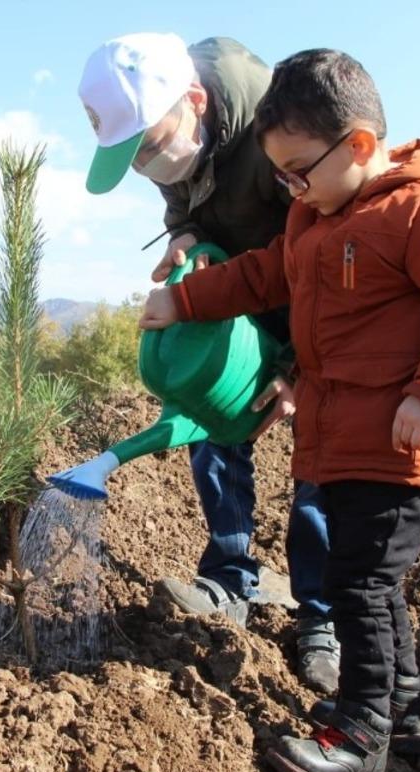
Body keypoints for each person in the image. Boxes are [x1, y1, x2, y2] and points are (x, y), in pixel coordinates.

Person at [138, 48, 420, 772]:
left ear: (361, 146)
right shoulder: (316, 219)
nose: (290, 189)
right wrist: (184, 300)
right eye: (279, 175)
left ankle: (360, 741)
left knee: (358, 589)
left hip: (400, 446)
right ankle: (397, 714)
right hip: (343, 444)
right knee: (369, 584)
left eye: (299, 171)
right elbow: (260, 274)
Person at [78, 32, 339, 693]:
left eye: (148, 147)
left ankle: (323, 616)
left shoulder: (286, 129)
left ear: (196, 100)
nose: (145, 164)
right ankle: (229, 579)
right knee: (206, 411)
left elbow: (333, 256)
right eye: (131, 157)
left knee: (322, 449)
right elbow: (182, 193)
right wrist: (187, 236)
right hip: (237, 286)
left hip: (318, 294)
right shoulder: (178, 132)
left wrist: (302, 374)